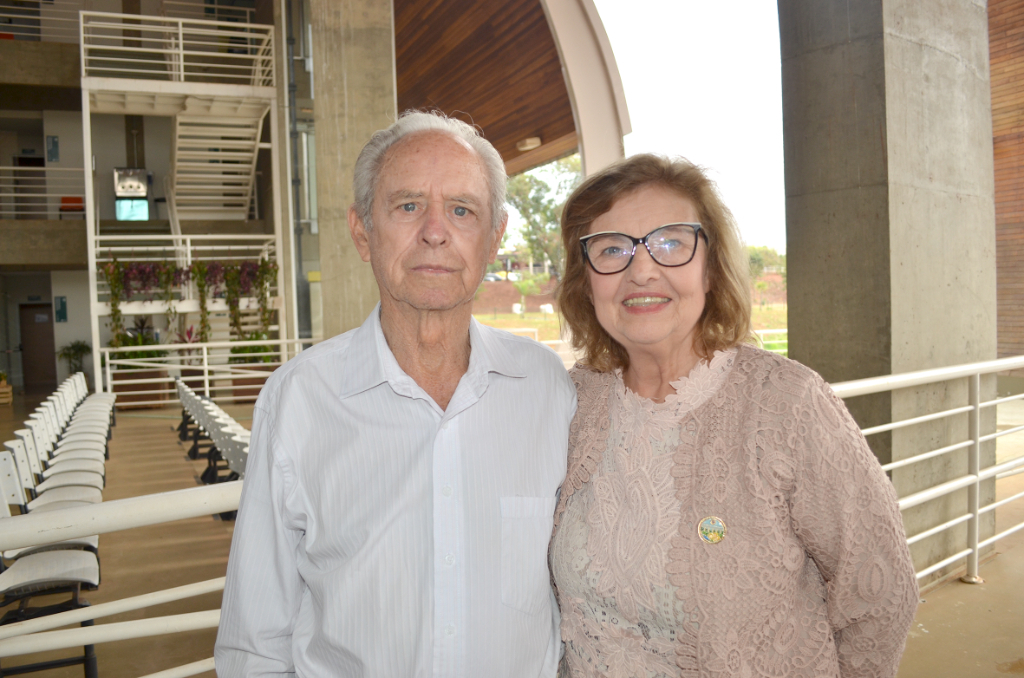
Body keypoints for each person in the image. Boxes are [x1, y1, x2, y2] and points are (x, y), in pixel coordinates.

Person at [215, 110, 577, 677]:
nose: (436, 231)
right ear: (362, 232)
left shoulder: (547, 390)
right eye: (408, 206)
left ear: (494, 236)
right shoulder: (299, 401)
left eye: (462, 210)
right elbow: (255, 645)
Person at [550, 154, 917, 678]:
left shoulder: (788, 404)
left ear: (711, 265)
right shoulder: (571, 405)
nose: (642, 270)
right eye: (611, 249)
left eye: (671, 242)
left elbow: (880, 594)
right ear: (586, 280)